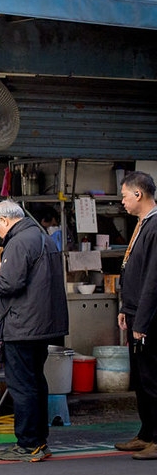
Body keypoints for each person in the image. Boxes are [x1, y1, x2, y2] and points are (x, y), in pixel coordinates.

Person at [0, 199, 67, 462]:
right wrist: (4, 271)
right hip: (42, 326)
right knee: (36, 383)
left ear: (4, 221)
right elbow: (26, 277)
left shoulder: (18, 241)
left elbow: (9, 285)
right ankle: (40, 442)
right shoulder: (41, 237)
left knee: (22, 386)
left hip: (22, 326)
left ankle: (28, 444)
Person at [115, 171, 157, 460]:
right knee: (140, 381)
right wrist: (124, 308)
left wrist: (141, 320)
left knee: (153, 379)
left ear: (138, 194)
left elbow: (153, 279)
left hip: (150, 318)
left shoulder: (155, 226)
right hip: (134, 312)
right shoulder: (142, 224)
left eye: (124, 195)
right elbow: (132, 268)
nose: (122, 201)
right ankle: (146, 433)